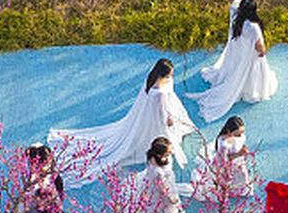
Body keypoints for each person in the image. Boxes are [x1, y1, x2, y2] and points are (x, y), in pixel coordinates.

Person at [48, 58, 197, 188]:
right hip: (156, 117)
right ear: (163, 74)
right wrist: (169, 121)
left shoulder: (151, 80)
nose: (171, 76)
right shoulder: (160, 93)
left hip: (147, 115)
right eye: (169, 74)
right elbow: (163, 112)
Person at [189, 0, 278, 123]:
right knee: (253, 73)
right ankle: (250, 91)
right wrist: (263, 52)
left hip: (238, 54)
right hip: (250, 56)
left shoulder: (236, 16)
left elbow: (235, 0)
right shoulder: (254, 27)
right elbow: (260, 47)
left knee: (238, 71)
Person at [187, 115, 255, 203]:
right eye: (237, 133)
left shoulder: (239, 136)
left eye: (242, 132)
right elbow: (224, 160)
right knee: (230, 179)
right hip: (226, 164)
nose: (240, 135)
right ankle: (232, 192)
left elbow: (240, 143)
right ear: (229, 131)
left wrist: (242, 151)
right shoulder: (223, 144)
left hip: (238, 160)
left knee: (242, 176)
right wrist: (239, 153)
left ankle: (241, 191)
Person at [132, 136, 190, 213]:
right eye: (168, 152)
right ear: (160, 155)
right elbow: (162, 190)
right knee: (163, 211)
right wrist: (172, 199)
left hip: (153, 185)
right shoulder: (158, 172)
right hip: (161, 190)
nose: (171, 153)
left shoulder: (152, 156)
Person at [23, 144, 67, 213]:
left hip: (50, 201)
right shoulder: (30, 178)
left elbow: (59, 187)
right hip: (36, 205)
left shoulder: (52, 175)